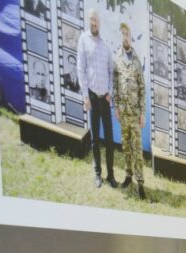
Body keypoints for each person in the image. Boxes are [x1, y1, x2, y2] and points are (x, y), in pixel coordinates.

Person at [77, 9, 117, 189]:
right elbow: (81, 69)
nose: (94, 23)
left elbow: (112, 71)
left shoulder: (106, 46)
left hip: (105, 100)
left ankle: (111, 175)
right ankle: (98, 174)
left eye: (96, 20)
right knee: (95, 140)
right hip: (92, 98)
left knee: (109, 139)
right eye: (91, 20)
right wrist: (85, 96)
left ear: (100, 23)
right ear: (89, 21)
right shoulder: (83, 40)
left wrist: (110, 93)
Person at [113, 23, 146, 200]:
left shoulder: (137, 60)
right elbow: (115, 85)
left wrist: (142, 113)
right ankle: (128, 176)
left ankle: (140, 183)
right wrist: (116, 107)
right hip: (123, 113)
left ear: (131, 37)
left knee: (138, 149)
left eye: (128, 34)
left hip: (134, 114)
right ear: (121, 36)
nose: (125, 37)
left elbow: (142, 88)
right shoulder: (117, 58)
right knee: (126, 147)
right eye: (123, 34)